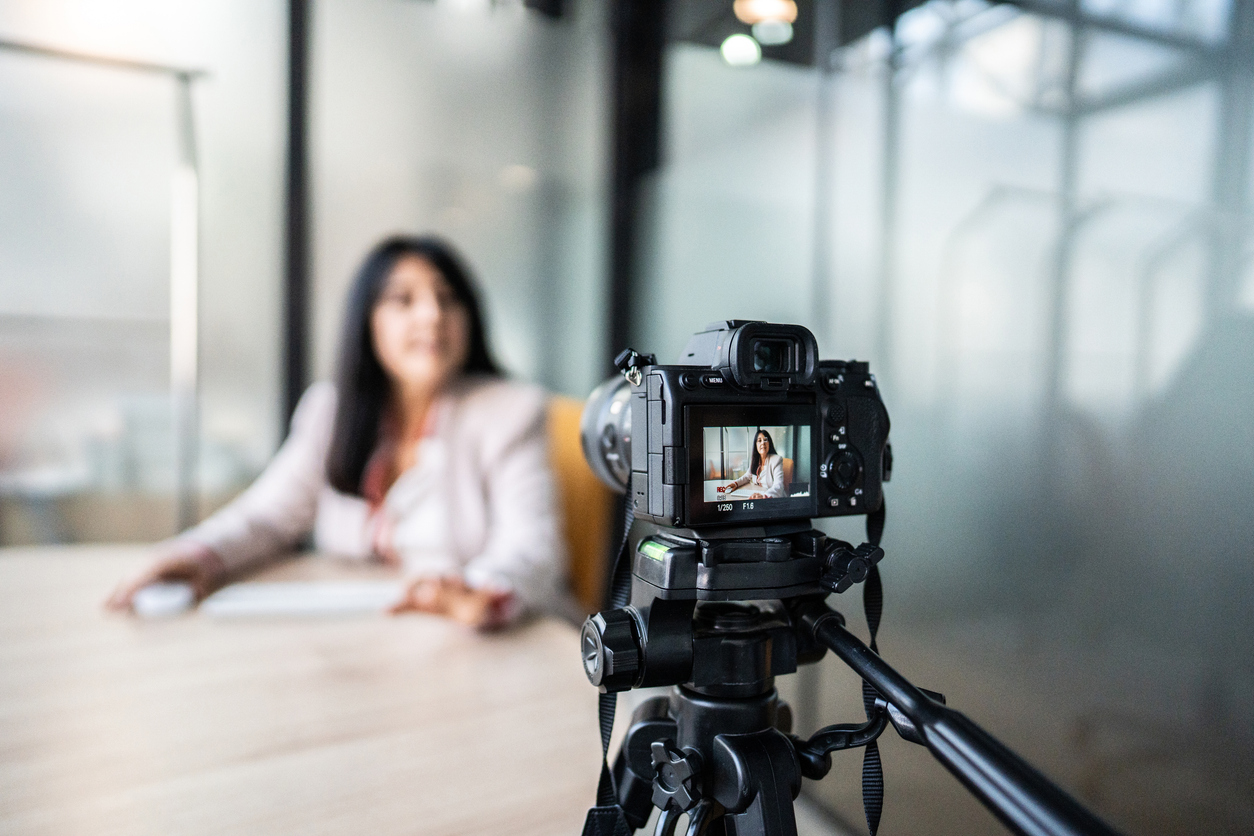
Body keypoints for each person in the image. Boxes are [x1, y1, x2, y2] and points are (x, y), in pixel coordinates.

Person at [107, 235, 567, 629]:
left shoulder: (511, 410)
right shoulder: (329, 411)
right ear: (367, 321)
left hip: (484, 640)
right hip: (372, 636)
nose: (431, 315)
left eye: (448, 298)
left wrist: (478, 591)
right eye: (403, 300)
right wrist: (197, 554)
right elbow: (267, 517)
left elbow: (531, 548)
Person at [722, 429, 786, 500]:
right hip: (759, 496)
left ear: (769, 443)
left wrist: (764, 496)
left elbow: (779, 485)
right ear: (755, 445)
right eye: (759, 441)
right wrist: (735, 484)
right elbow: (747, 476)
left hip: (772, 498)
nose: (763, 443)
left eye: (765, 440)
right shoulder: (756, 460)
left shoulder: (776, 460)